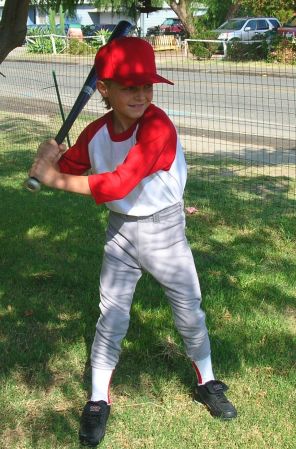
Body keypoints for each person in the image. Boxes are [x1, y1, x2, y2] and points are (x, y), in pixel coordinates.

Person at [29, 37, 237, 447]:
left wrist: (53, 177)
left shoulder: (158, 126)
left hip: (165, 232)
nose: (141, 94)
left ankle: (207, 380)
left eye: (147, 86)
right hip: (121, 232)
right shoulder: (96, 132)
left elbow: (120, 181)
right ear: (104, 89)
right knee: (112, 316)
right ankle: (96, 398)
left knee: (189, 312)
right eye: (129, 87)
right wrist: (49, 158)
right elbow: (73, 166)